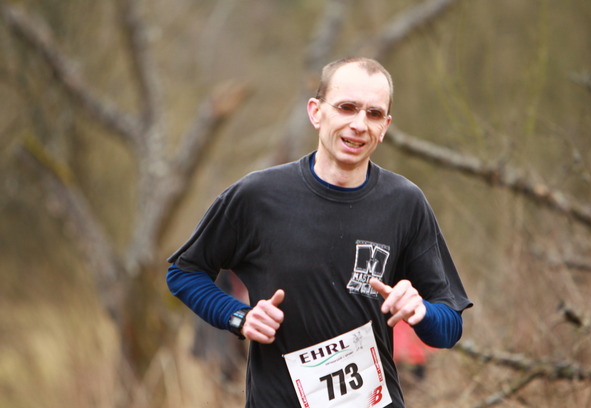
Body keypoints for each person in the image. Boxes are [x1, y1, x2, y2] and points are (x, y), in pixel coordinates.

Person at [167, 57, 472, 408]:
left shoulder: (405, 203)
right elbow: (184, 272)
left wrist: (422, 312)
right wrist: (239, 317)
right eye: (346, 108)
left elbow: (449, 327)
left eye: (374, 114)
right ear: (316, 112)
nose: (359, 124)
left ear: (385, 126)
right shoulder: (258, 197)